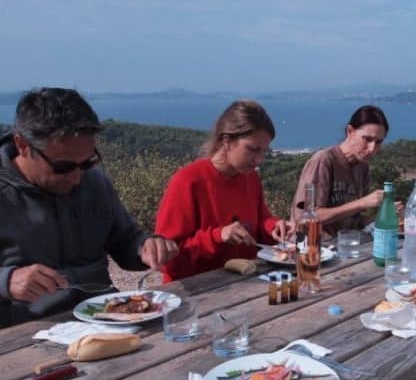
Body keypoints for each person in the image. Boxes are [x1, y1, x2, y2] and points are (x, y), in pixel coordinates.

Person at [0, 87, 178, 327]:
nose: (76, 178)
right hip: (24, 334)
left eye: (87, 163)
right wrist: (6, 280)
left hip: (107, 319)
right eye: (63, 167)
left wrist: (146, 247)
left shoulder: (94, 182)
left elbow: (125, 242)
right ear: (22, 145)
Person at [155, 99, 294, 282]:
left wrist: (275, 227)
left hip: (242, 286)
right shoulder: (188, 181)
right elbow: (165, 260)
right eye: (252, 150)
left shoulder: (250, 177)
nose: (258, 160)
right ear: (227, 141)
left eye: (264, 152)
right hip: (197, 292)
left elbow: (259, 224)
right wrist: (217, 236)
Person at [291, 105, 399, 239]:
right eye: (367, 139)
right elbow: (305, 219)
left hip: (346, 246)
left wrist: (387, 217)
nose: (372, 149)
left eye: (378, 142)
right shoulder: (324, 160)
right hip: (315, 250)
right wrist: (362, 203)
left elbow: (353, 219)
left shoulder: (362, 167)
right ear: (350, 131)